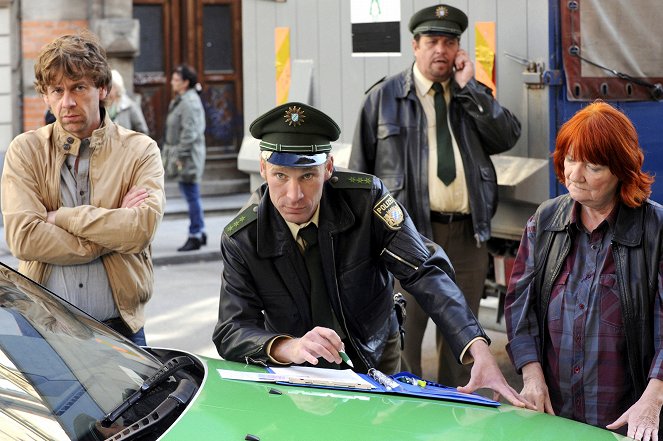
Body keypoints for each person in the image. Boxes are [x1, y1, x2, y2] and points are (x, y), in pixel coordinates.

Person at [213, 101, 532, 409]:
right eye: (281, 176)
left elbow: (424, 270)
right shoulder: (242, 237)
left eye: (307, 176)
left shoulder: (366, 200)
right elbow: (232, 328)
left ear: (327, 169)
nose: (294, 195)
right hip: (300, 371)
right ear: (263, 169)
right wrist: (288, 347)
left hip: (376, 353)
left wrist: (476, 346)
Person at [349, 4, 521, 387]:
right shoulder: (382, 98)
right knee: (402, 340)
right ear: (415, 45)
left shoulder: (468, 96)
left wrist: (471, 88)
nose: (440, 50)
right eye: (432, 41)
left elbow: (507, 135)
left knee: (463, 342)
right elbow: (360, 178)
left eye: (449, 41)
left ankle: (457, 418)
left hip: (466, 236)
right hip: (404, 239)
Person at [504, 101, 662, 440]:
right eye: (571, 159)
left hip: (625, 421)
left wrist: (654, 397)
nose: (575, 174)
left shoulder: (656, 230)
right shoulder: (546, 221)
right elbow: (520, 311)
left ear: (622, 169)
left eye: (592, 165)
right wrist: (531, 377)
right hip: (554, 417)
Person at [1, 31, 165, 345]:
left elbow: (139, 230)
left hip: (121, 329)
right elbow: (24, 238)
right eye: (57, 90)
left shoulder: (140, 150)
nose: (68, 102)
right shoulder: (26, 150)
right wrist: (110, 229)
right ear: (45, 96)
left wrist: (60, 217)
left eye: (79, 87)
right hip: (43, 329)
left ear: (102, 88)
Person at [162, 64, 207, 252]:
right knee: (191, 194)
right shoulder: (183, 100)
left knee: (191, 195)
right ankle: (201, 231)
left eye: (176, 80)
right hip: (185, 155)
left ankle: (195, 234)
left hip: (187, 157)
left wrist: (179, 156)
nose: (172, 82)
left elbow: (190, 133)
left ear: (186, 83)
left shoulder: (189, 102)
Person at [106, 69, 149, 134]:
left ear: (117, 87)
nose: (106, 90)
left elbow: (143, 131)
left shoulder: (130, 106)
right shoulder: (105, 105)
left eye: (109, 87)